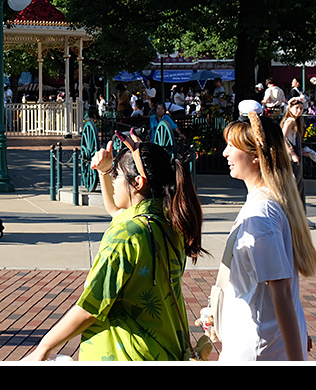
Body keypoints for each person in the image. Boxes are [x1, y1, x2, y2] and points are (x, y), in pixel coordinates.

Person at [25, 132, 206, 361]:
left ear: (138, 182)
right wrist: (104, 172)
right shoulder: (170, 225)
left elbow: (91, 308)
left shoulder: (127, 234)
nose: (113, 180)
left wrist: (43, 348)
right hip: (166, 348)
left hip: (127, 353)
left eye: (117, 175)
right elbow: (117, 211)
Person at [204, 101, 316, 361]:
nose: (224, 154)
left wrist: (296, 357)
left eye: (232, 146)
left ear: (256, 156)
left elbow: (282, 293)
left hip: (257, 349)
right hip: (258, 342)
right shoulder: (268, 205)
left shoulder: (261, 214)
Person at [279, 97, 312, 217]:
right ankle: (298, 216)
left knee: (298, 187)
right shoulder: (290, 121)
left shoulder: (293, 121)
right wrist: (292, 153)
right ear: (290, 108)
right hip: (291, 159)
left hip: (293, 156)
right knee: (296, 187)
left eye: (301, 108)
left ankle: (299, 216)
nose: (299, 111)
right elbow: (282, 138)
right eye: (297, 108)